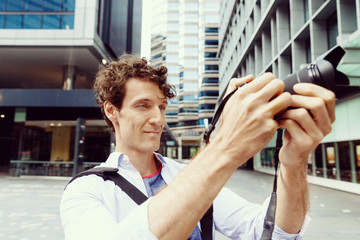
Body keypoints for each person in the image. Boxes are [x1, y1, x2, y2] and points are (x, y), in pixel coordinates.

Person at [60, 54, 335, 239]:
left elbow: (272, 231)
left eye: (162, 107)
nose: (157, 119)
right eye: (143, 106)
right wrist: (226, 144)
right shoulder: (86, 190)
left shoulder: (185, 176)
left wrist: (293, 162)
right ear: (112, 111)